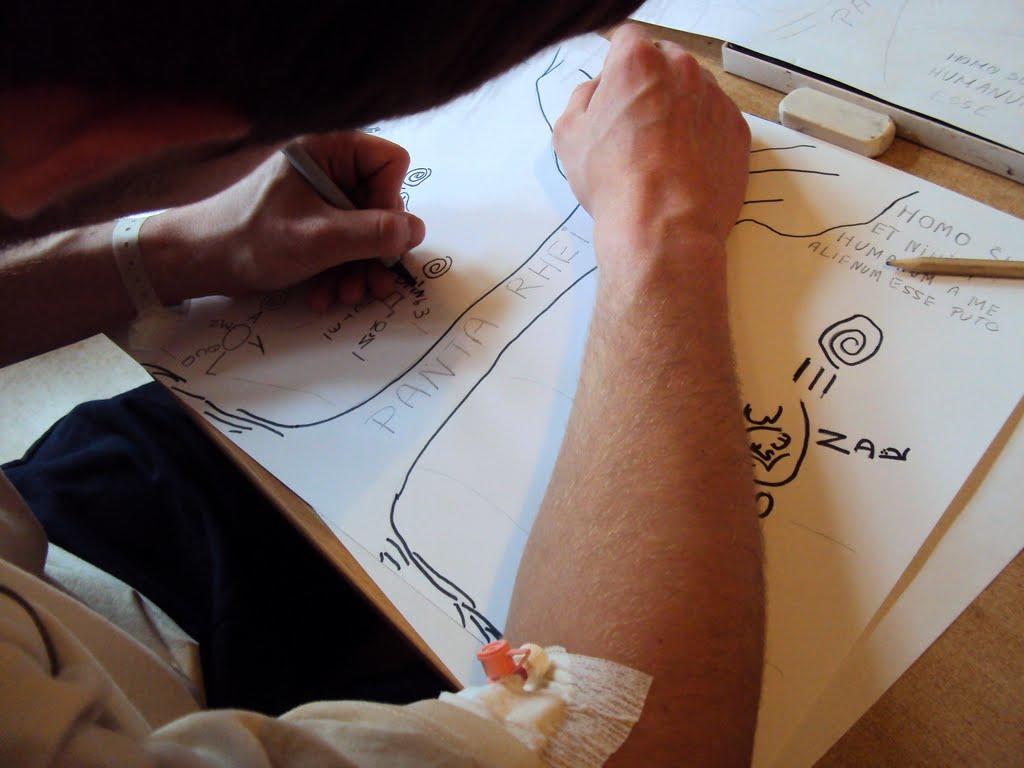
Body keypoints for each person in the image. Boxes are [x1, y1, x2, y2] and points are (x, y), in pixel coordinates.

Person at [0, 2, 763, 763]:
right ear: (86, 145)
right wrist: (661, 222)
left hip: (65, 549)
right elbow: (613, 737)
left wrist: (168, 250)